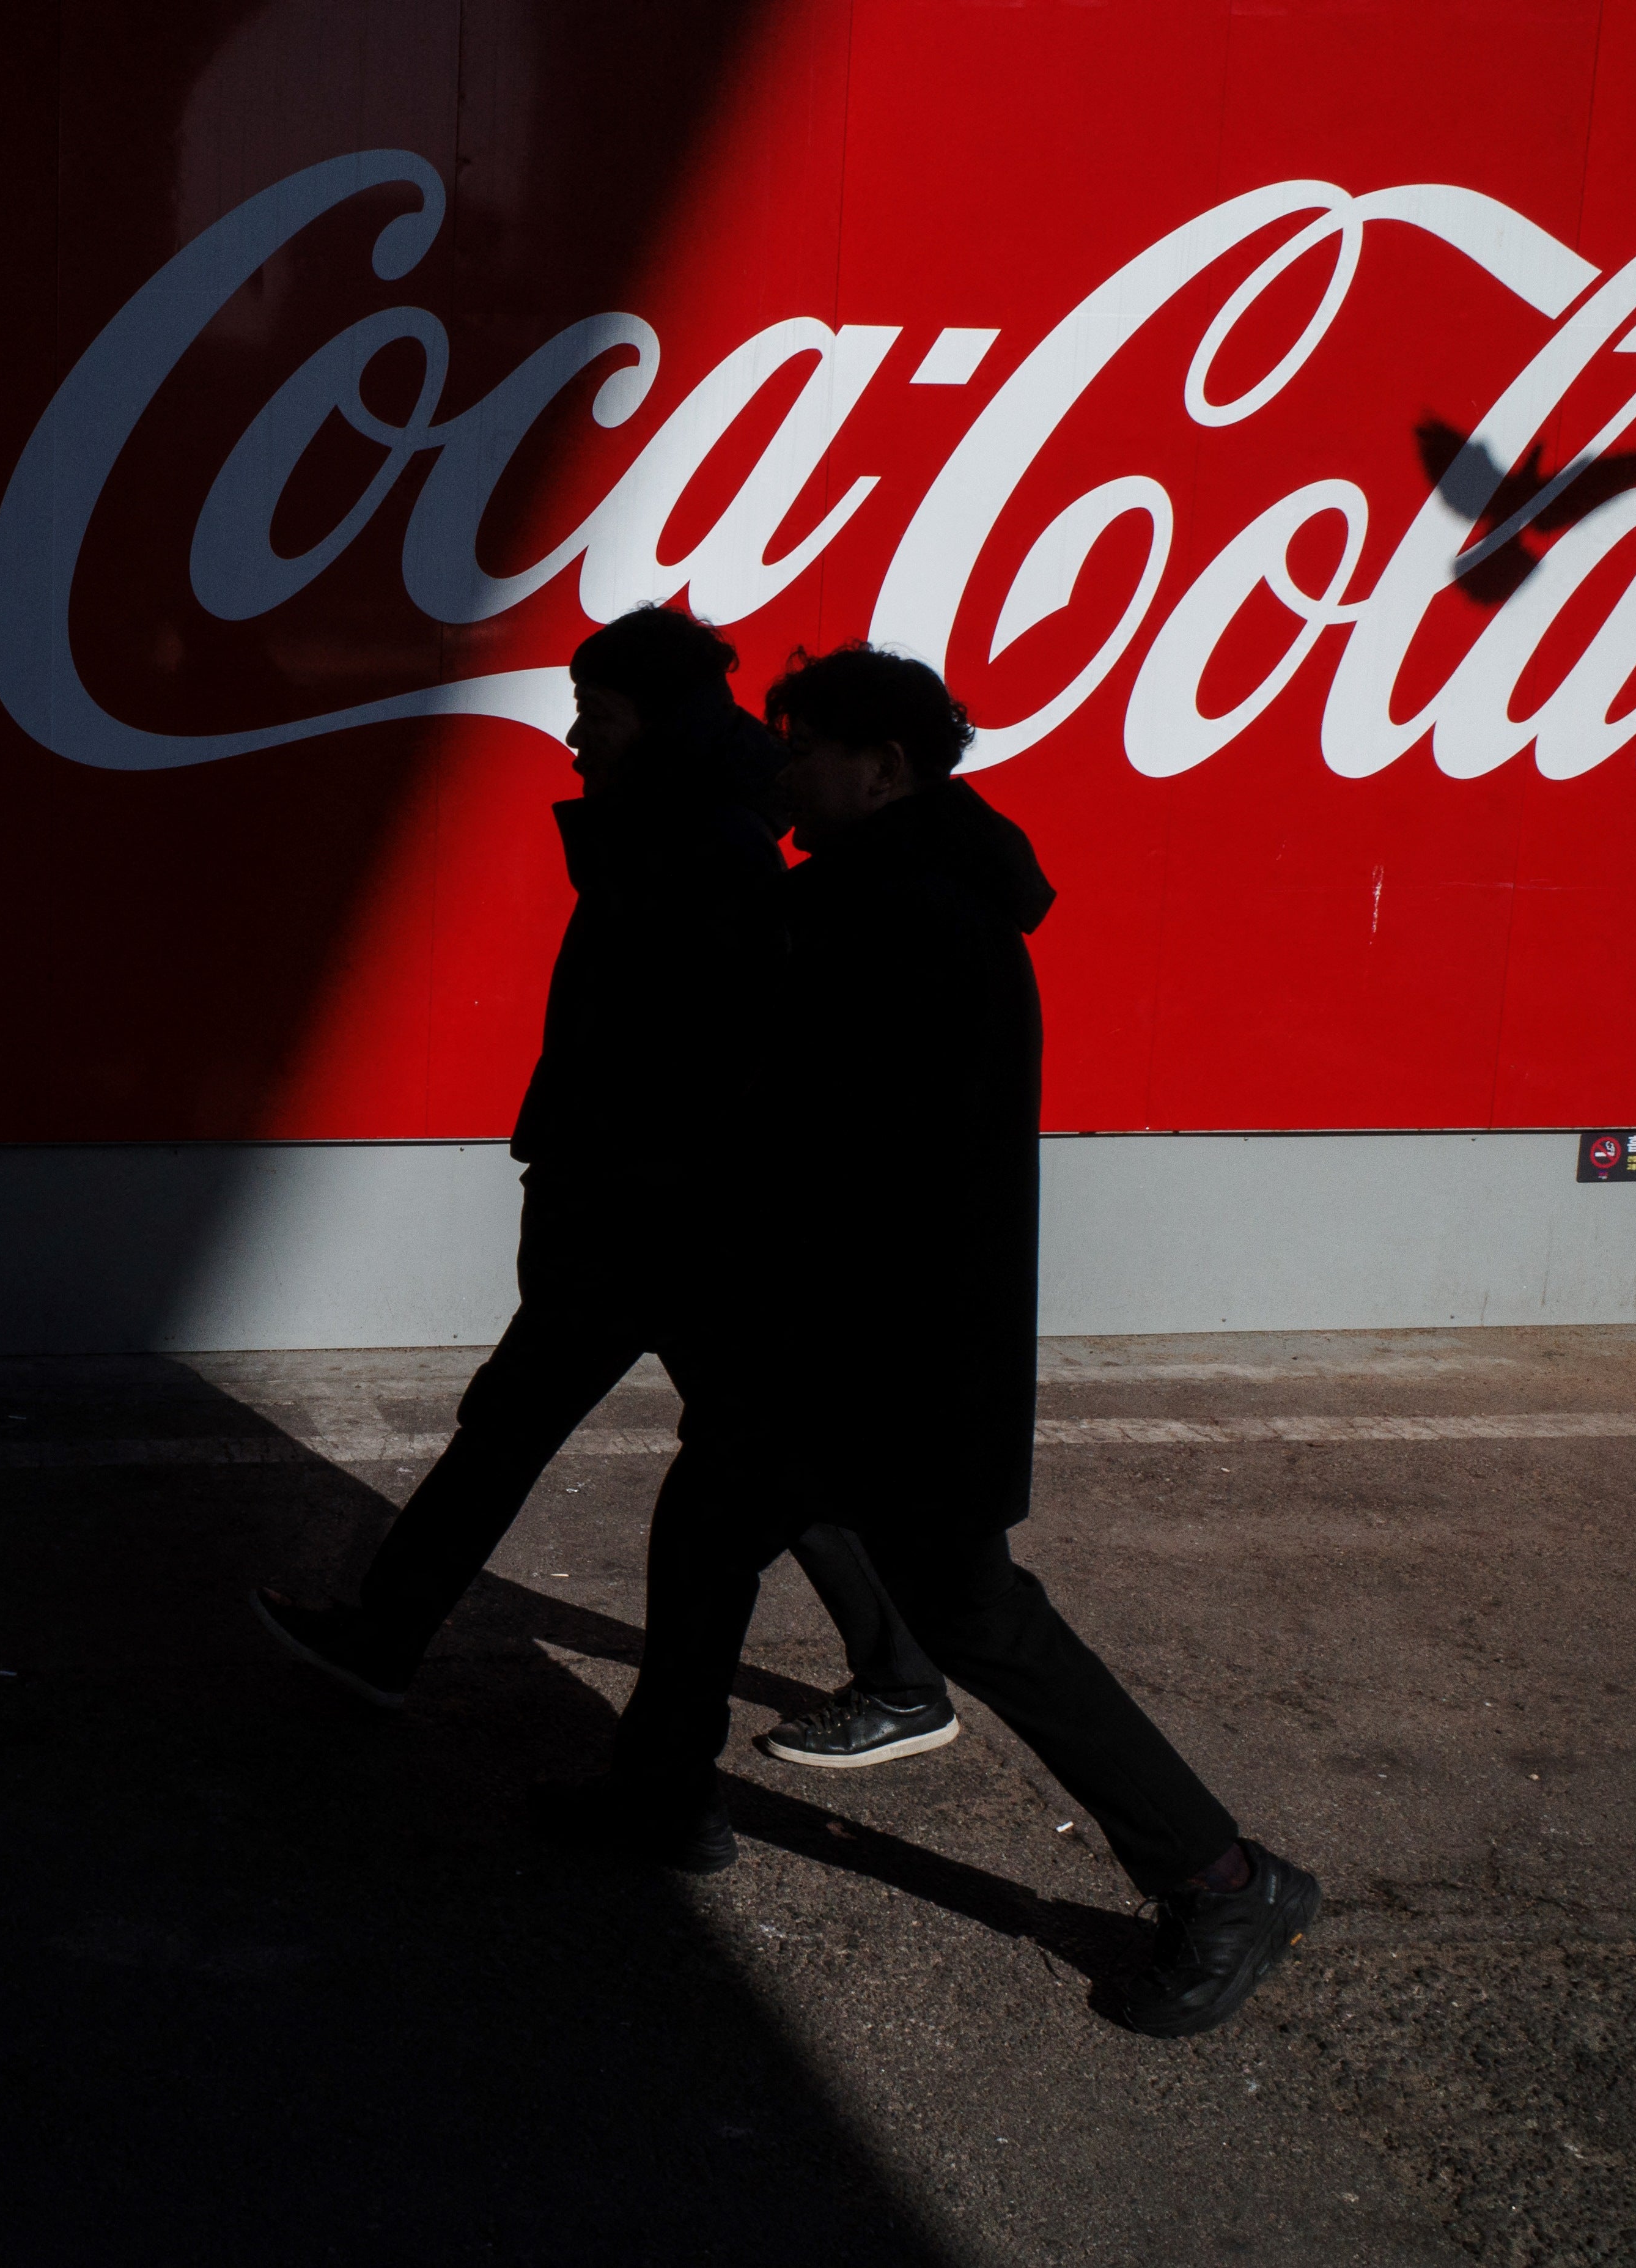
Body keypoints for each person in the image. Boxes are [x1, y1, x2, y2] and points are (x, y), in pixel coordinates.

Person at [603, 641, 1318, 2037]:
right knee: (705, 1533)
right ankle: (659, 1792)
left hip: (888, 1354)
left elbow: (847, 1149)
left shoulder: (903, 914)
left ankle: (1225, 1878)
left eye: (805, 747)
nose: (783, 766)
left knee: (975, 1612)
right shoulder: (891, 894)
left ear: (886, 768)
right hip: (840, 1343)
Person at [249, 605, 956, 1830]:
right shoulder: (671, 829)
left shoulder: (707, 845)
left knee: (602, 1442)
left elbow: (702, 1057)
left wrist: (610, 1184)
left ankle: (414, 1646)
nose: (576, 736)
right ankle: (887, 1673)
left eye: (601, 714)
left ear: (658, 723)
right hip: (639, 1212)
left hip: (654, 1220)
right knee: (612, 1437)